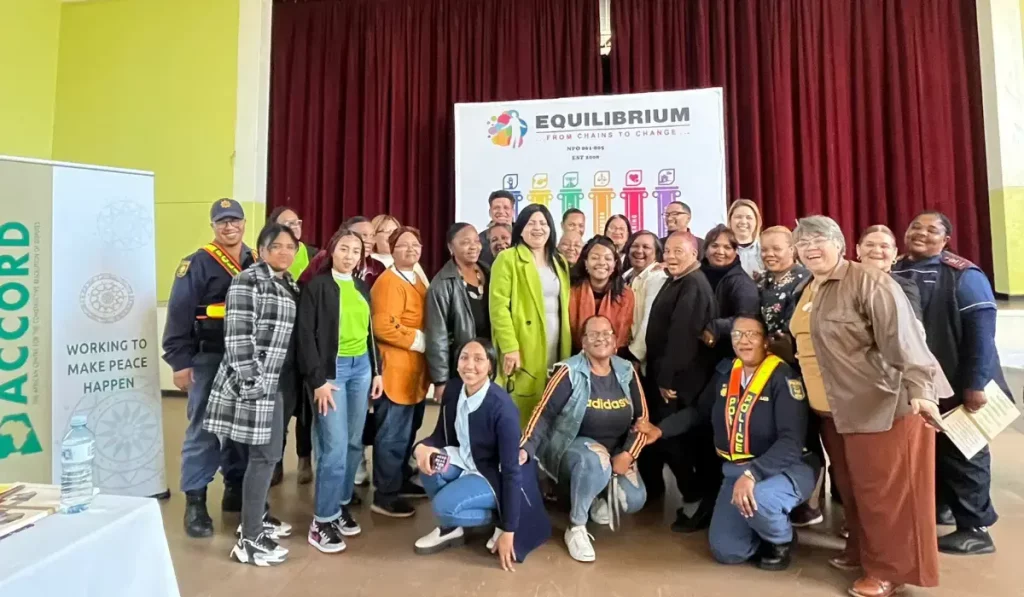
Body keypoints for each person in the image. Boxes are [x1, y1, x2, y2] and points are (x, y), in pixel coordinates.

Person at [793, 215, 945, 597]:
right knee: (853, 489)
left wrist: (921, 388)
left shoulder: (869, 281)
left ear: (840, 244)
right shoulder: (809, 286)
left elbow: (904, 338)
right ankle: (861, 550)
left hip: (881, 406)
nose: (810, 248)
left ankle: (887, 571)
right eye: (802, 242)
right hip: (834, 411)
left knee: (885, 495)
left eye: (818, 240)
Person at [637, 315, 817, 571]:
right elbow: (699, 412)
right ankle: (761, 526)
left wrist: (753, 474)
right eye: (737, 335)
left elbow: (791, 441)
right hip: (736, 470)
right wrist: (660, 429)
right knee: (727, 550)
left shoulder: (783, 377)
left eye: (752, 334)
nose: (744, 340)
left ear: (766, 341)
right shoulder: (726, 373)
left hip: (784, 468)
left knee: (760, 499)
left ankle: (781, 539)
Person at [894, 211, 1012, 555]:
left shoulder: (964, 275)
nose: (921, 233)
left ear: (946, 240)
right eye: (916, 226)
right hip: (923, 385)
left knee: (965, 455)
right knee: (935, 452)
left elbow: (982, 336)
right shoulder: (895, 268)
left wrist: (976, 385)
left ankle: (975, 528)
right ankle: (944, 506)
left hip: (961, 384)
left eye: (932, 230)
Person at [202, 223, 301, 566]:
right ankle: (250, 539)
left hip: (279, 382)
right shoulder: (248, 280)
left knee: (266, 456)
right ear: (262, 250)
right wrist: (254, 384)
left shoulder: (288, 282)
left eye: (290, 247)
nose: (284, 252)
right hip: (258, 384)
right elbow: (238, 337)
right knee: (263, 457)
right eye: (277, 246)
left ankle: (254, 523)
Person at [520, 316, 649, 562]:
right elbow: (543, 413)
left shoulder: (627, 370)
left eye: (606, 333)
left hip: (614, 454)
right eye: (593, 334)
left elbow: (643, 420)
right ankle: (576, 526)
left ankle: (594, 498)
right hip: (572, 451)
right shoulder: (569, 371)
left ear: (615, 340)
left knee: (634, 499)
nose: (601, 338)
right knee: (595, 460)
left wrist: (628, 454)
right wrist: (526, 447)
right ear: (584, 342)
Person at [412, 340, 551, 568]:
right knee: (430, 465)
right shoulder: (454, 389)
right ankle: (451, 528)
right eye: (464, 357)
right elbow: (439, 436)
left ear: (490, 366)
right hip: (465, 458)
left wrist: (508, 528)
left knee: (442, 506)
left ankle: (499, 516)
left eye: (478, 359)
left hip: (493, 473)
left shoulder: (502, 408)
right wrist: (420, 447)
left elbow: (511, 471)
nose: (470, 365)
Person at [163, 198, 256, 538]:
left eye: (234, 220)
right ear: (213, 226)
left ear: (244, 222)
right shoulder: (197, 263)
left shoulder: (255, 259)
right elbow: (179, 313)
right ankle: (196, 500)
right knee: (203, 428)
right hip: (208, 356)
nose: (229, 226)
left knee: (241, 426)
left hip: (246, 358)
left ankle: (235, 487)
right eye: (222, 222)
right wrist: (179, 362)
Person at [295, 229, 384, 553]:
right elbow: (305, 337)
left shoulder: (361, 287)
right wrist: (317, 380)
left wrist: (377, 371)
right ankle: (322, 520)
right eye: (344, 249)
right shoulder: (317, 287)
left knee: (353, 443)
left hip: (361, 369)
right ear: (332, 251)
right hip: (331, 373)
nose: (349, 256)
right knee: (332, 447)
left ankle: (341, 504)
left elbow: (369, 333)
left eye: (356, 251)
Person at [639, 231, 716, 523]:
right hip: (669, 375)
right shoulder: (677, 280)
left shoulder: (693, 284)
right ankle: (692, 497)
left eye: (678, 252)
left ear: (694, 254)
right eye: (668, 251)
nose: (670, 257)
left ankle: (695, 499)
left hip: (680, 382)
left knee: (674, 440)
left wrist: (667, 379)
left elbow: (682, 336)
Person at [755, 225, 818, 526]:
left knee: (808, 436)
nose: (769, 254)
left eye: (776, 249)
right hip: (770, 369)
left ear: (792, 250)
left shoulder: (805, 281)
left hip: (799, 368)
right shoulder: (762, 281)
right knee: (783, 433)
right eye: (764, 249)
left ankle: (810, 503)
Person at [490, 204, 572, 426]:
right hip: (523, 345)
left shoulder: (559, 261)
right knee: (522, 406)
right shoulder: (508, 258)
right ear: (521, 229)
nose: (538, 228)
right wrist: (509, 346)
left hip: (556, 343)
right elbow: (498, 307)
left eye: (543, 223)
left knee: (552, 404)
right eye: (531, 223)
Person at [370, 226, 432, 517]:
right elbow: (383, 325)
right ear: (391, 250)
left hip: (415, 372)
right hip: (395, 370)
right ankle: (385, 494)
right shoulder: (388, 282)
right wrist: (419, 340)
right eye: (403, 245)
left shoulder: (417, 277)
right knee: (392, 436)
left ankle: (401, 480)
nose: (411, 249)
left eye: (415, 244)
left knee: (408, 431)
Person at [268, 207, 319, 487]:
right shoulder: (266, 263)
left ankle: (304, 459)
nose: (295, 226)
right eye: (287, 223)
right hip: (279, 350)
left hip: (307, 345)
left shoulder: (315, 255)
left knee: (307, 410)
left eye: (297, 222)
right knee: (280, 410)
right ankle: (275, 462)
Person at [426, 223, 491, 402]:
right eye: (465, 242)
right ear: (450, 247)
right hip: (462, 366)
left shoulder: (488, 271)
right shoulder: (441, 284)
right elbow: (436, 337)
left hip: (489, 362)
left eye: (476, 241)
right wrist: (440, 381)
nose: (473, 246)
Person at [701, 225, 760, 358]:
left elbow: (748, 320)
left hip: (725, 356)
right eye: (714, 246)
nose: (720, 252)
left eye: (727, 247)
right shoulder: (696, 275)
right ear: (706, 249)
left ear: (735, 251)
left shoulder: (742, 282)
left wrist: (715, 327)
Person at [568, 236, 635, 351]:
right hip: (575, 354)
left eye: (608, 258)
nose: (601, 263)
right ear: (585, 263)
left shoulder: (626, 295)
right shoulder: (571, 292)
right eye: (595, 258)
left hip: (615, 355)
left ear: (615, 264)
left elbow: (624, 336)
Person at [622, 231, 668, 367]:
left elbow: (649, 320)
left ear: (656, 253)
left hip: (643, 360)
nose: (639, 251)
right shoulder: (625, 277)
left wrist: (634, 355)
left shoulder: (658, 277)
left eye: (646, 247)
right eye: (635, 246)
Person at [858, 225, 922, 319]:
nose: (877, 251)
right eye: (870, 245)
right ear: (858, 250)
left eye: (884, 246)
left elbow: (912, 323)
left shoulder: (904, 286)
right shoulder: (844, 282)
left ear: (894, 253)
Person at [371, 214, 428, 283]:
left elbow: (426, 287)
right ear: (374, 235)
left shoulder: (410, 260)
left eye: (395, 232)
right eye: (387, 231)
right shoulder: (369, 263)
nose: (392, 235)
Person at [727, 199, 764, 278]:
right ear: (730, 220)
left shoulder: (765, 250)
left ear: (757, 222)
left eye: (749, 217)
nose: (743, 221)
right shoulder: (722, 251)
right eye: (738, 217)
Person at [478, 190, 516, 267]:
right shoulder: (479, 240)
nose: (501, 211)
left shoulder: (523, 235)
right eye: (496, 208)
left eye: (506, 208)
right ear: (490, 212)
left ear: (513, 211)